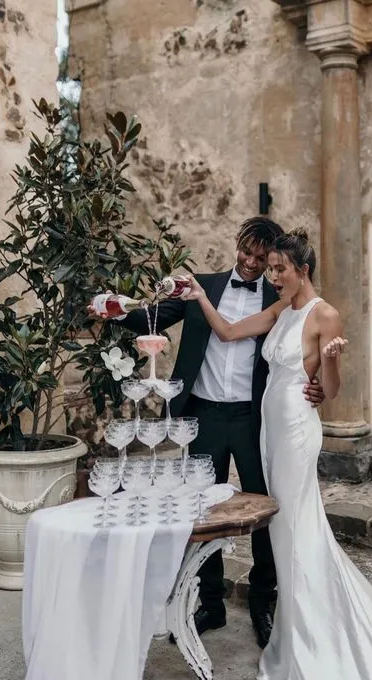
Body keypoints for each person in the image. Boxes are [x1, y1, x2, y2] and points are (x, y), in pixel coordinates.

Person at [183, 228, 372, 680]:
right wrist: (202, 295)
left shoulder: (326, 316)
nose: (272, 275)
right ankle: (290, 622)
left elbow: (332, 392)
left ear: (304, 271)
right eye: (271, 267)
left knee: (296, 527)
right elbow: (227, 331)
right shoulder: (281, 308)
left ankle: (308, 637)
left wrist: (333, 361)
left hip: (298, 431)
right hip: (271, 430)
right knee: (281, 528)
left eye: (280, 269)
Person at [99, 217, 325, 649]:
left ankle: (263, 601)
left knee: (264, 509)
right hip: (200, 414)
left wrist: (314, 383)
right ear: (236, 243)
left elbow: (307, 339)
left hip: (253, 417)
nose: (252, 263)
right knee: (202, 508)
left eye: (262, 259)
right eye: (247, 252)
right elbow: (152, 317)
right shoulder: (200, 286)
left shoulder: (280, 298)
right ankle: (211, 602)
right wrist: (110, 312)